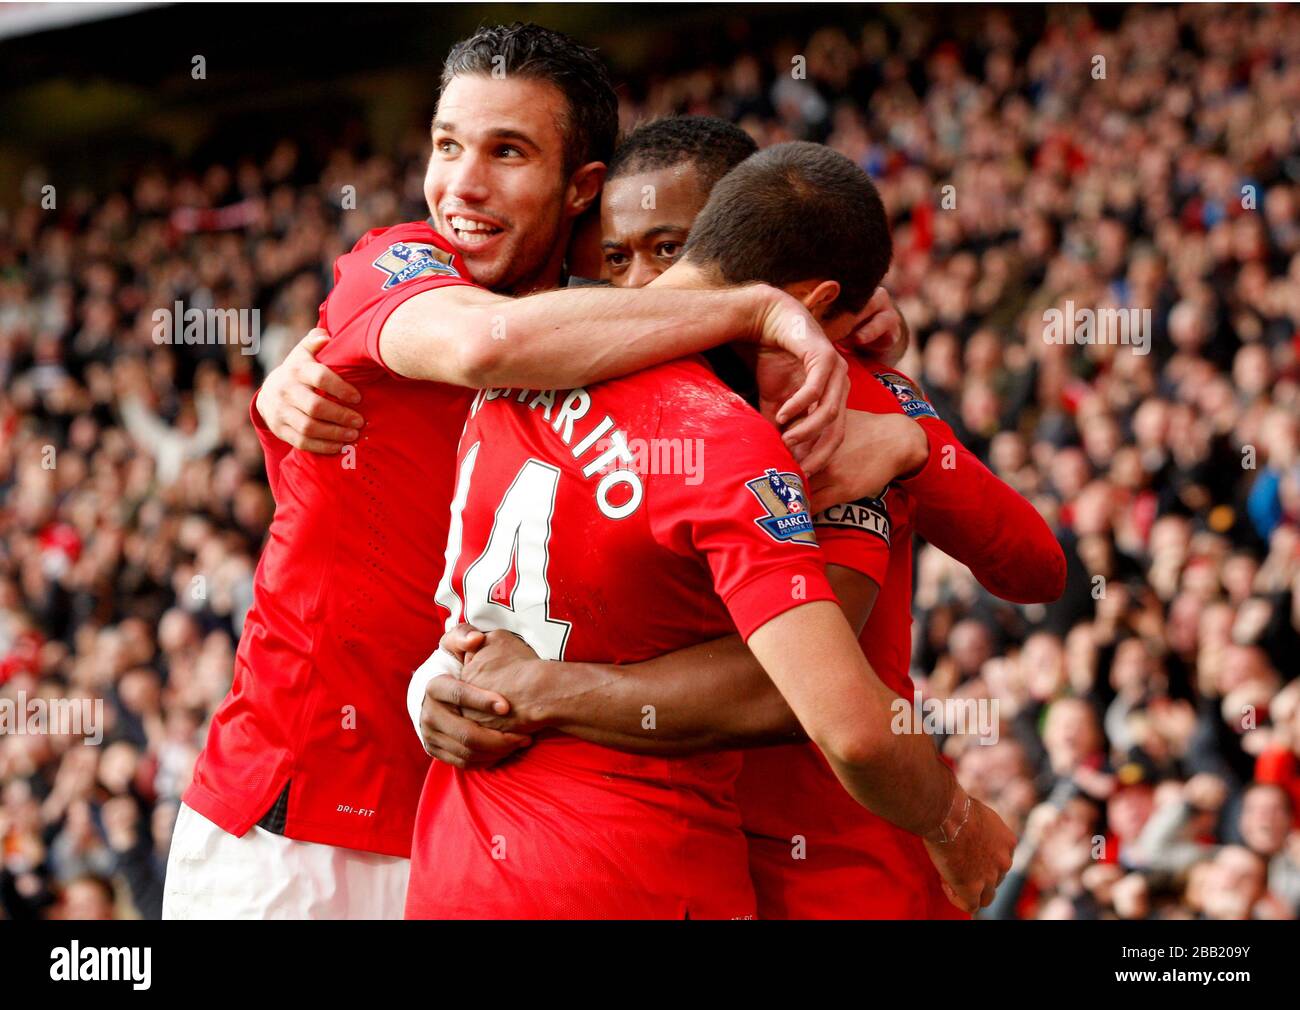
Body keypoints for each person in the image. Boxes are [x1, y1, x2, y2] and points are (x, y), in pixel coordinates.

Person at [163, 23, 848, 920]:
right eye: (447, 146)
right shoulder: (399, 263)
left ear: (582, 189)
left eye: (507, 151)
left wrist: (849, 315)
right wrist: (753, 308)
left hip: (472, 839)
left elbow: (766, 248)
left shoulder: (633, 335)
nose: (463, 185)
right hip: (296, 824)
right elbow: (490, 345)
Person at [427, 115, 1064, 918]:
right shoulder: (584, 380)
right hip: (666, 853)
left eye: (670, 250)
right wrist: (439, 693)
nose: (642, 292)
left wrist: (911, 444)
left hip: (836, 866)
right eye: (616, 259)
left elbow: (799, 688)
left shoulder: (827, 403)